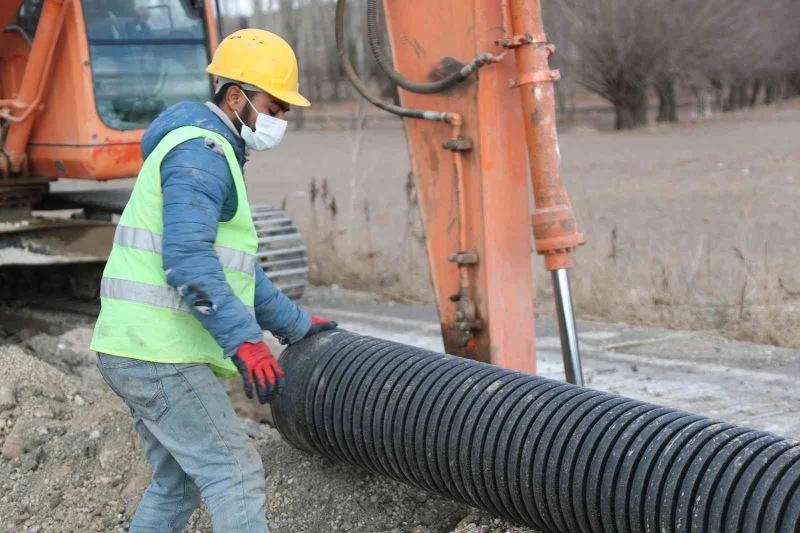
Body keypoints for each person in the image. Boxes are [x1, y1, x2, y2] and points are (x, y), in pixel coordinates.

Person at [89, 29, 336, 533]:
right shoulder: (202, 152)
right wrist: (246, 343)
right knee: (234, 471)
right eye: (275, 106)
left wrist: (293, 323)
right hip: (156, 354)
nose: (281, 120)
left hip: (132, 347)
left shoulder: (208, 148)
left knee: (177, 483)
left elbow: (233, 268)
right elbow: (188, 259)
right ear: (237, 98)